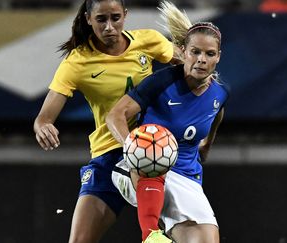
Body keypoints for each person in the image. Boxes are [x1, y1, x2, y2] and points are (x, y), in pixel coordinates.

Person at [33, 0, 182, 242]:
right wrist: (43, 127)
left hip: (157, 153)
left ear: (126, 15)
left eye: (115, 18)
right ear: (88, 19)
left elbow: (190, 70)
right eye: (101, 19)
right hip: (109, 153)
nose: (109, 27)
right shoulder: (77, 62)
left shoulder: (149, 41)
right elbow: (43, 117)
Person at [106, 1, 228, 242]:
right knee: (153, 150)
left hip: (186, 177)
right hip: (138, 169)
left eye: (209, 54)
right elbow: (115, 115)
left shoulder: (220, 93)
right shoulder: (161, 82)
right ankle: (150, 235)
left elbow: (217, 113)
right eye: (195, 52)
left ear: (218, 57)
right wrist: (132, 146)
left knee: (205, 239)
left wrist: (206, 146)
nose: (201, 59)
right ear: (183, 51)